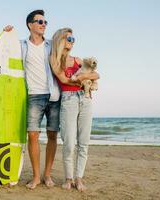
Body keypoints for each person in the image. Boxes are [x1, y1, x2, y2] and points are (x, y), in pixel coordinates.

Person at [4, 10, 62, 189]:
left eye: (45, 21)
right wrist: (6, 35)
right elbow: (6, 53)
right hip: (33, 95)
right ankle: (36, 176)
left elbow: (66, 53)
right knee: (32, 135)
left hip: (54, 95)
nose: (44, 24)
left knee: (52, 135)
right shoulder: (21, 45)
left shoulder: (52, 45)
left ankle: (47, 175)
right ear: (30, 25)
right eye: (39, 21)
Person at [50, 28, 99, 192]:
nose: (72, 42)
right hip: (68, 100)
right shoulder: (55, 60)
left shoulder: (78, 60)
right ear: (61, 40)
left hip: (85, 99)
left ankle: (78, 178)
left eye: (73, 39)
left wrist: (80, 77)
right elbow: (64, 80)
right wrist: (82, 79)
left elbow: (96, 75)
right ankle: (68, 178)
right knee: (69, 143)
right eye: (69, 39)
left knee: (83, 142)